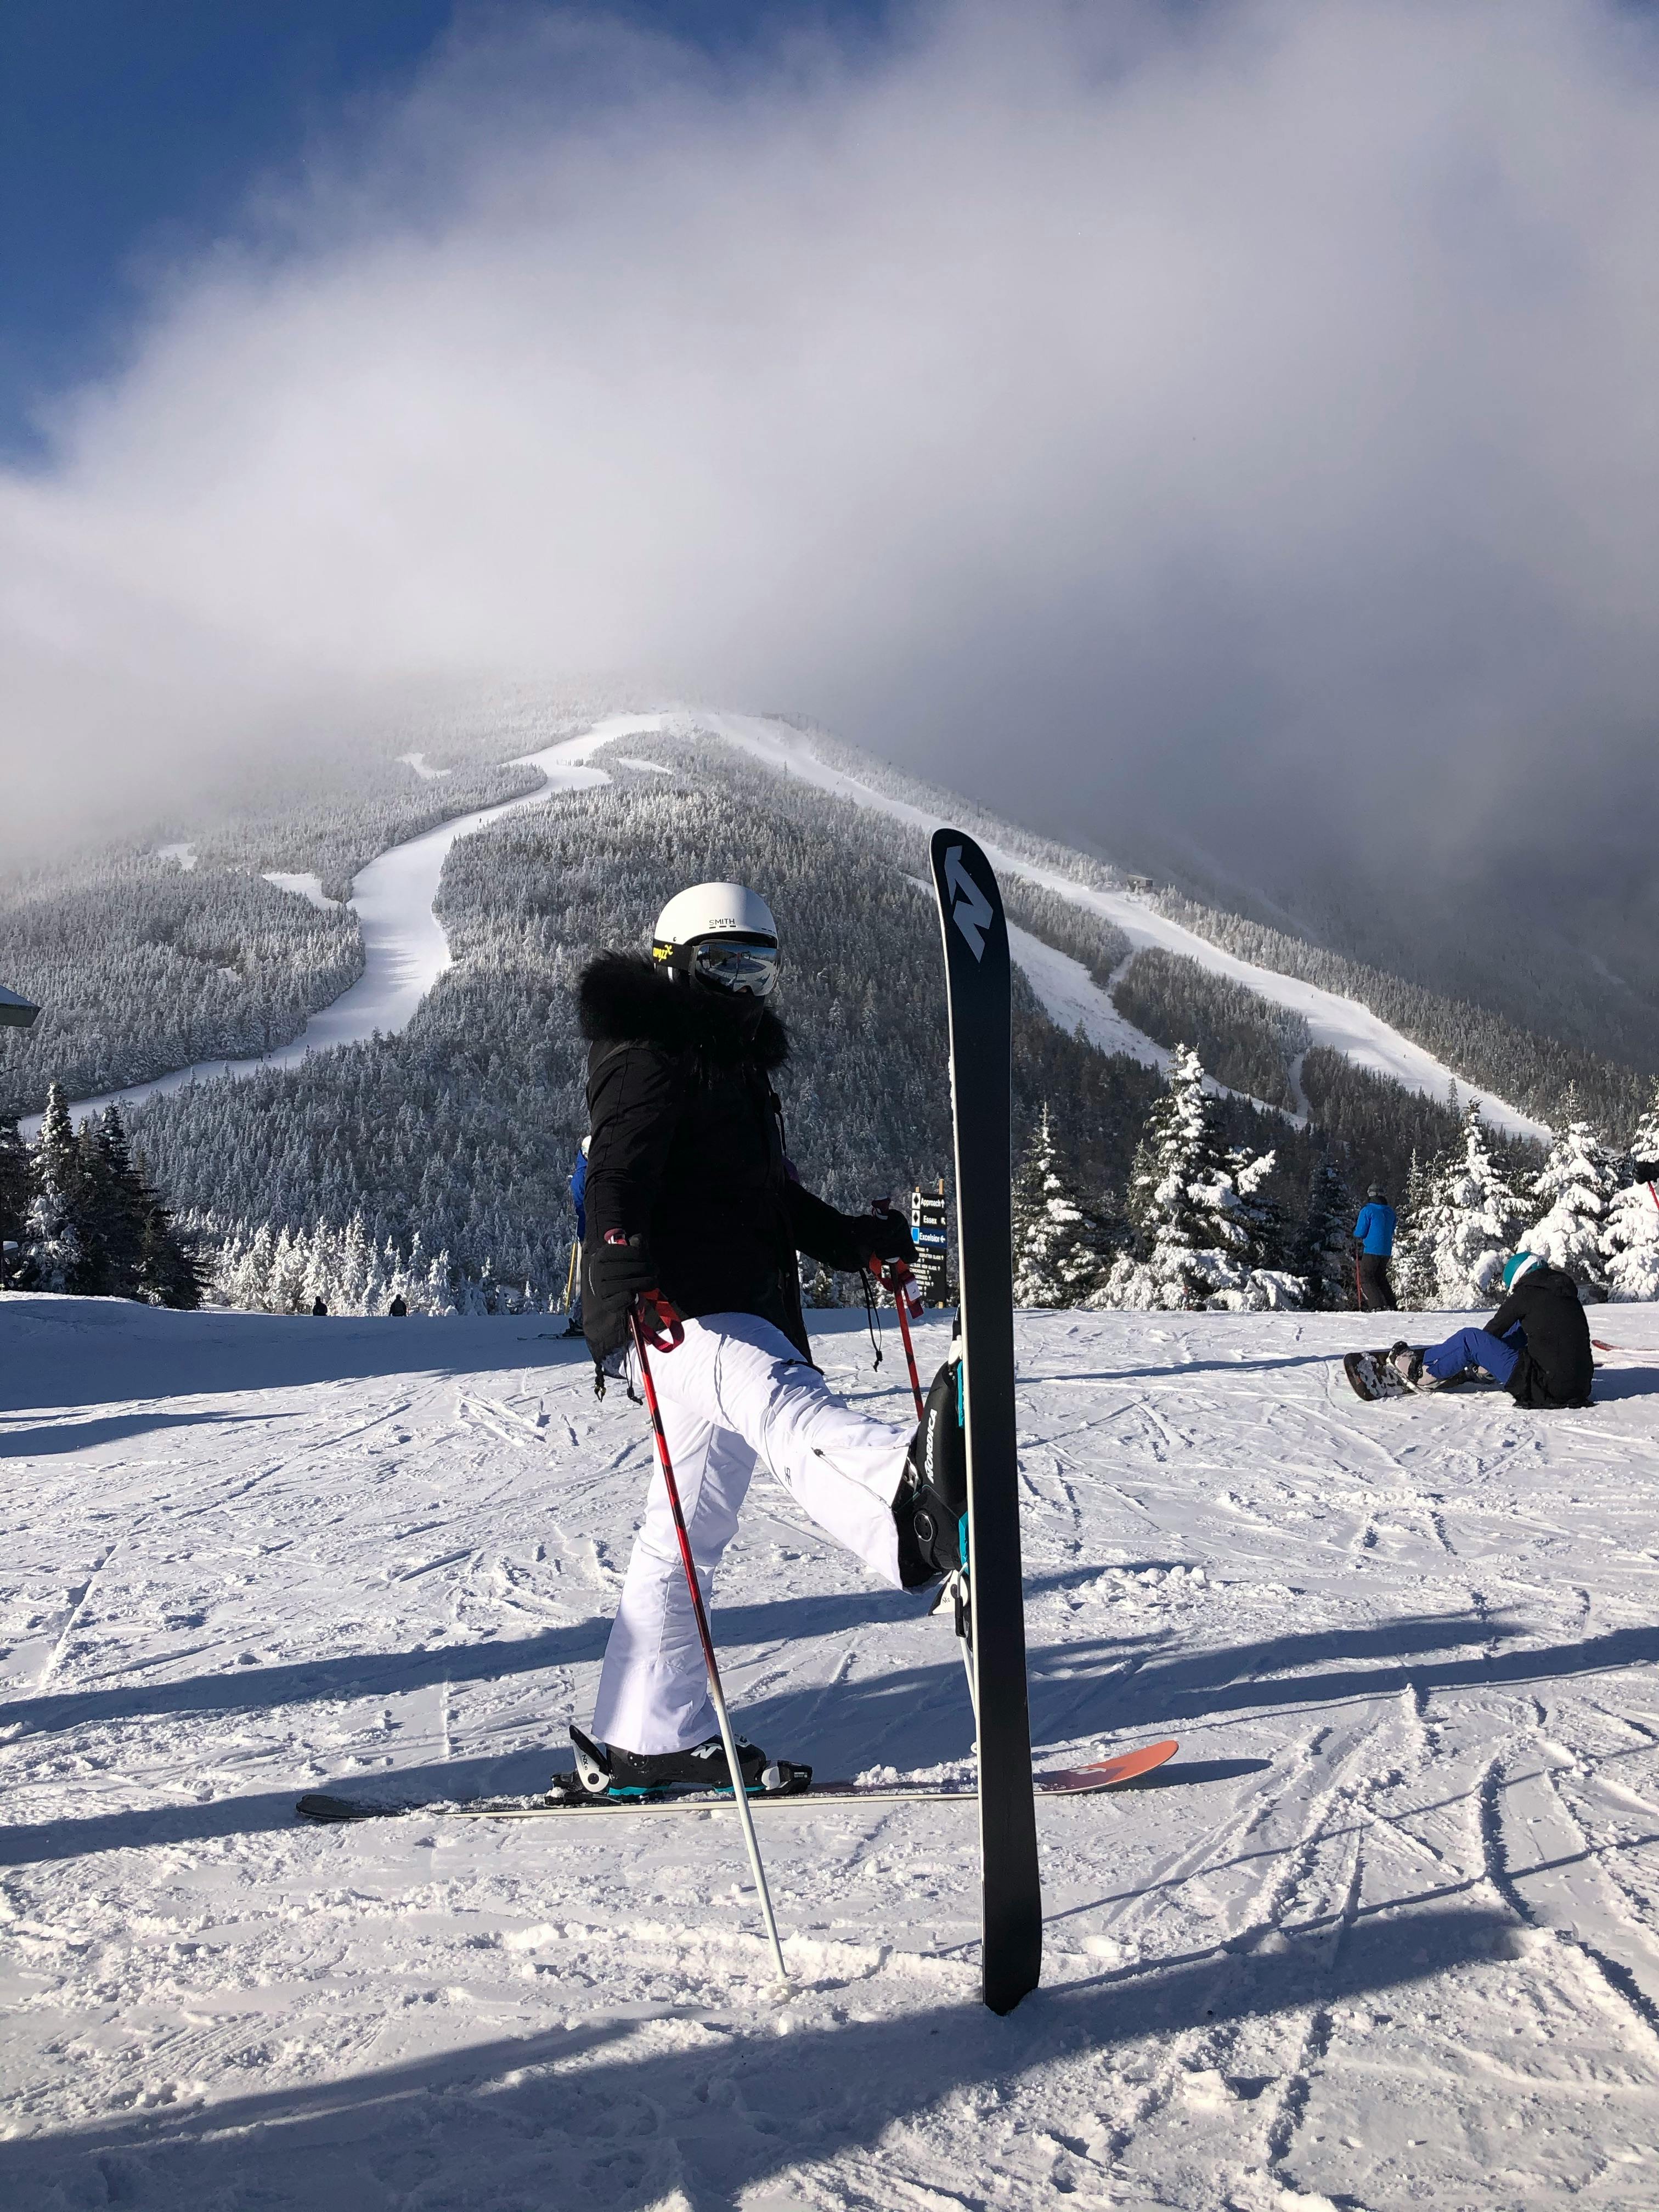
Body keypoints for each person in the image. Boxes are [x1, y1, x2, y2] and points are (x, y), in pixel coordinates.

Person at [571, 880, 964, 1798]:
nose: (744, 987)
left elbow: (774, 1204)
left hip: (725, 1302)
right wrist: (622, 1266)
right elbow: (616, 1174)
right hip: (676, 1312)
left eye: (759, 967)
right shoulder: (650, 1054)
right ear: (674, 965)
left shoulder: (730, 1071)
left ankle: (641, 1735)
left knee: (681, 1538)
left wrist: (856, 1245)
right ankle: (902, 1508)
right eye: (724, 965)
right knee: (780, 1401)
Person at [1391, 1251, 1593, 1408]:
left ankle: (1422, 1372)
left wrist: (1482, 1355)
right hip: (1581, 1389)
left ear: (1518, 1278)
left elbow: (1492, 1331)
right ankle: (1487, 1370)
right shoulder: (1567, 1295)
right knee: (1522, 1326)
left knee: (1469, 1339)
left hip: (1541, 1389)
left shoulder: (1526, 1294)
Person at [1352, 1183, 1397, 1310]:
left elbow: (1361, 1232)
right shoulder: (1390, 1212)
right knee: (1380, 1277)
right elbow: (1392, 1228)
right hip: (1386, 1250)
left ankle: (1377, 1306)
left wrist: (1355, 1234)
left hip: (1372, 1249)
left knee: (1366, 1277)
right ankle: (1391, 1304)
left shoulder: (1367, 1210)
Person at [563, 1136, 589, 1336]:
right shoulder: (583, 1177)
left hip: (589, 1231)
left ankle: (583, 1319)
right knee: (589, 1279)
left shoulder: (586, 1172)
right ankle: (581, 1319)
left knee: (589, 1278)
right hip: (589, 1233)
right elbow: (583, 1208)